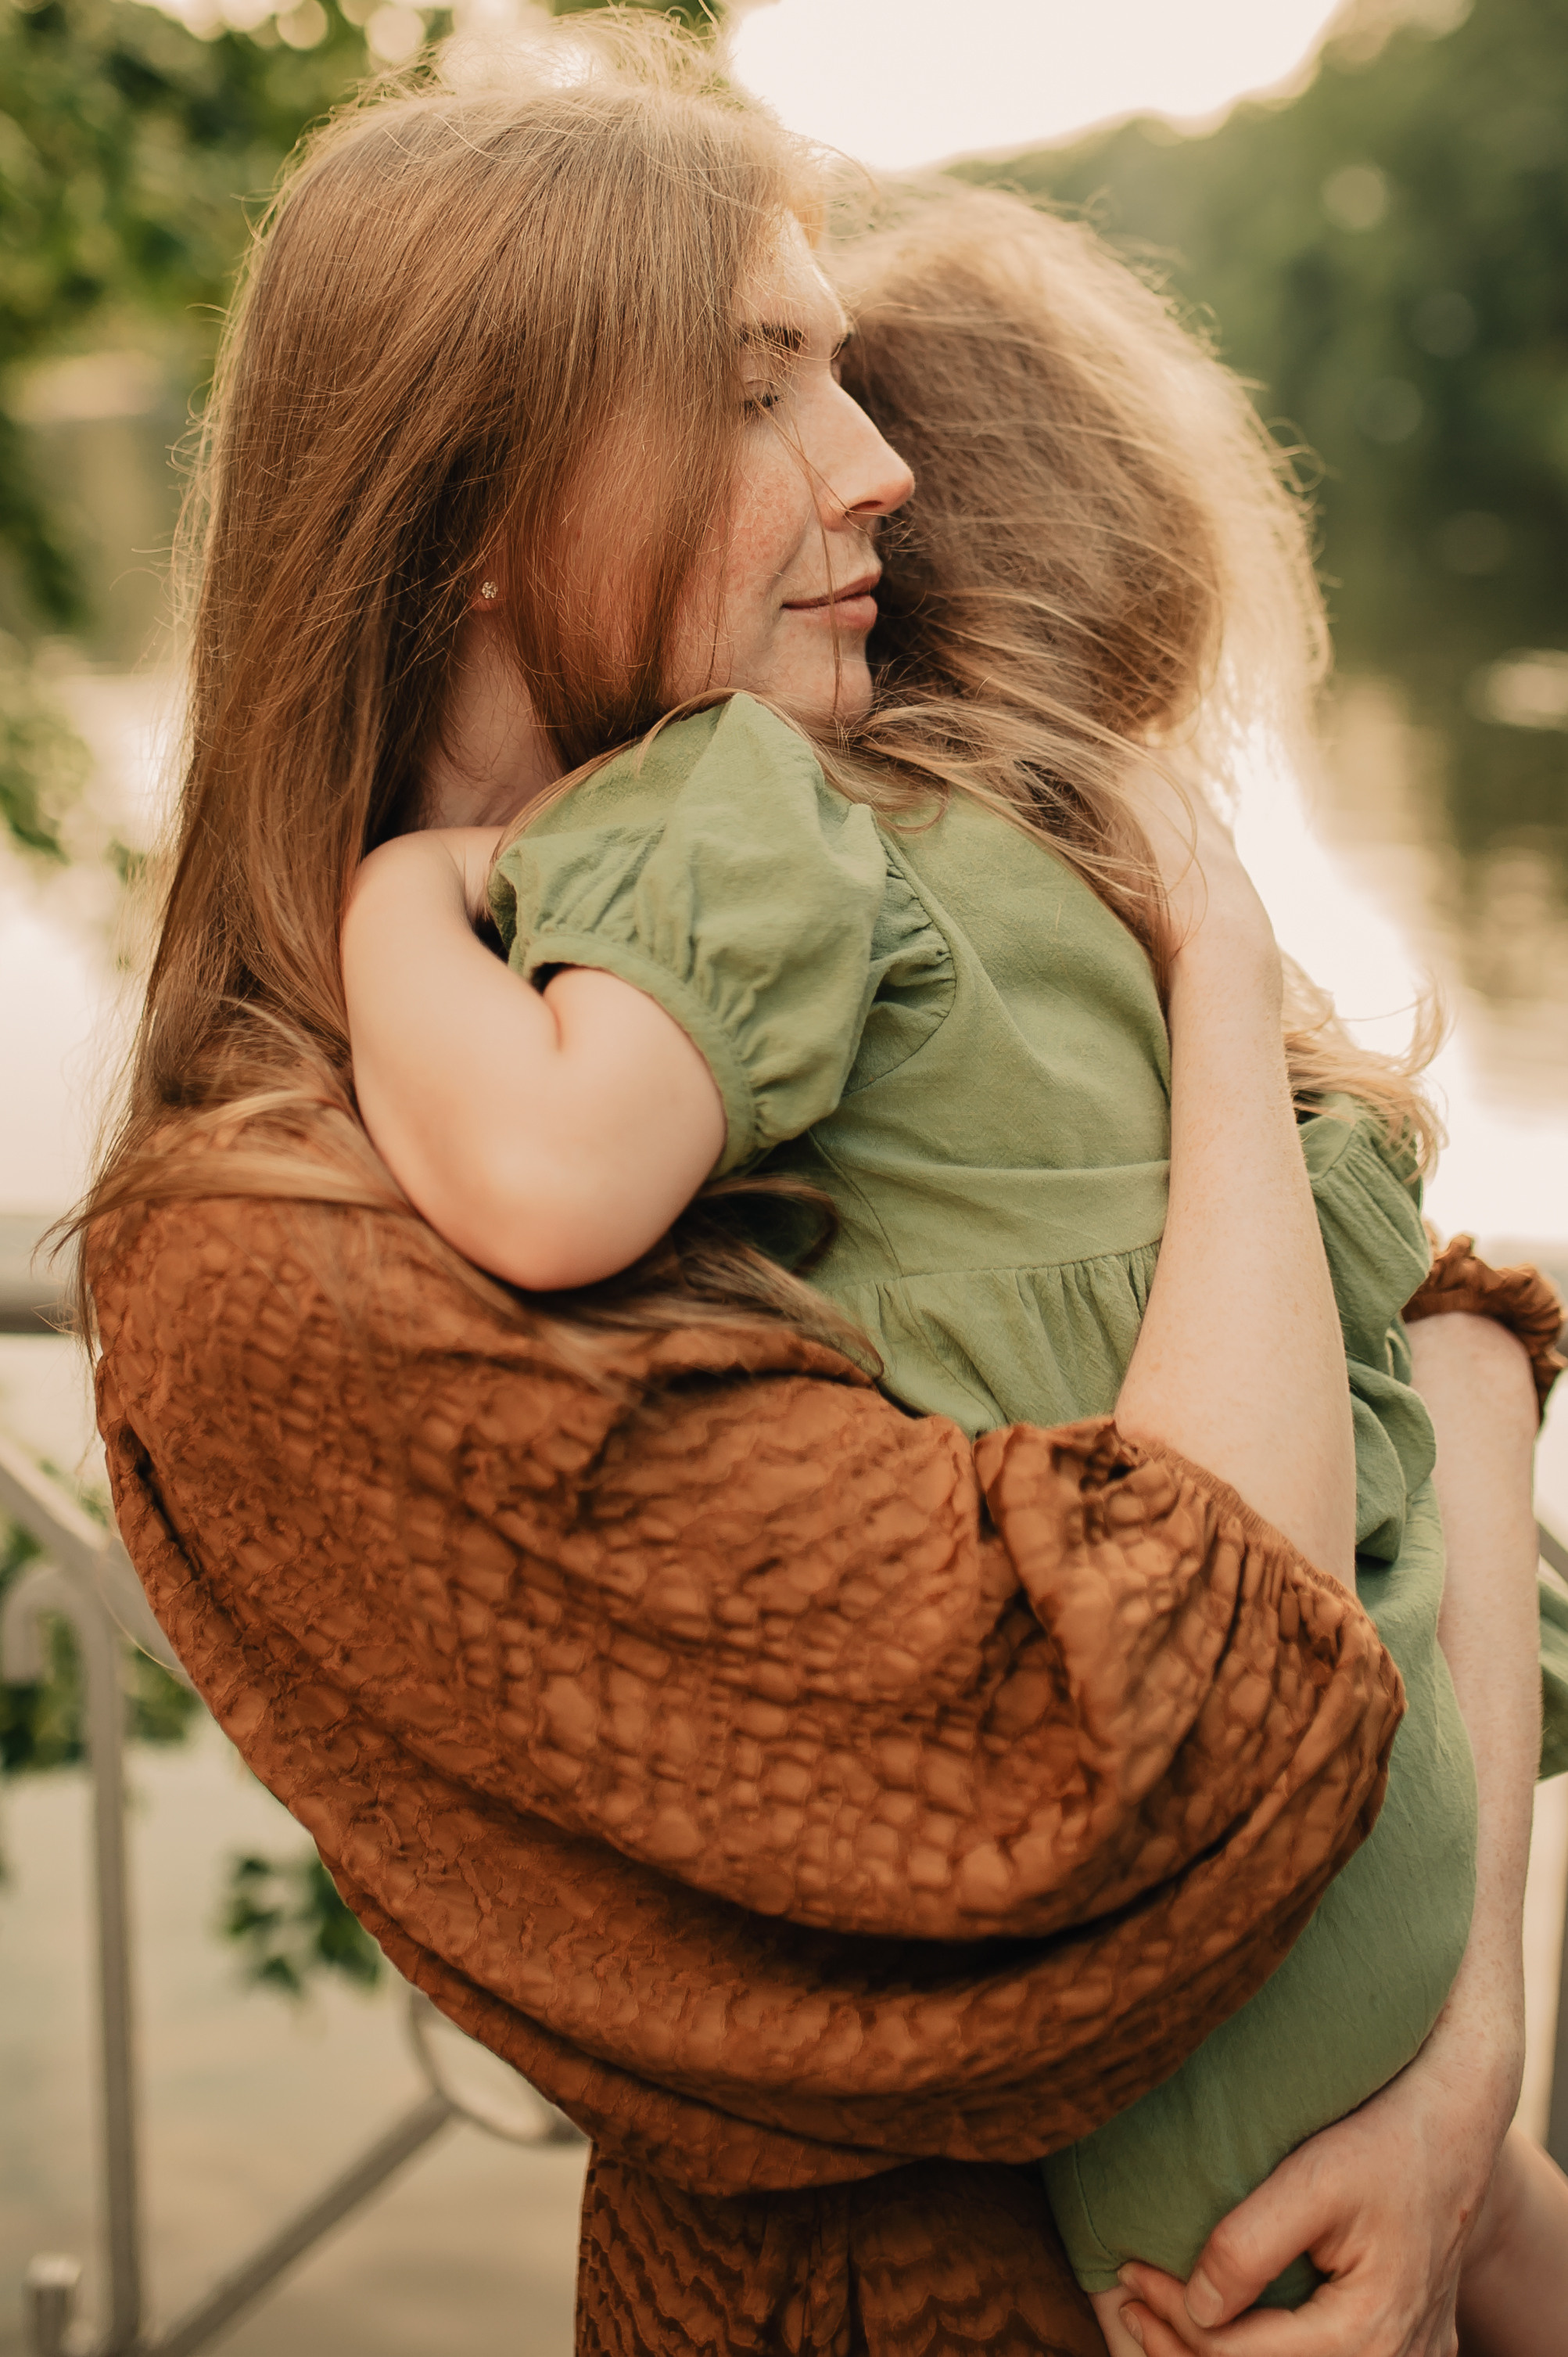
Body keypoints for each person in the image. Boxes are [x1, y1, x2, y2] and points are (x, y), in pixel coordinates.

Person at [74, 23, 1567, 2355]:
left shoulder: (804, 876)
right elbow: (1159, 1735)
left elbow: (1451, 1338)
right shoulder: (280, 1251)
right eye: (762, 388)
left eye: (842, 376)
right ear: (472, 504)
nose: (876, 468)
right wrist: (1214, 975)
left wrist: (1467, 2085)